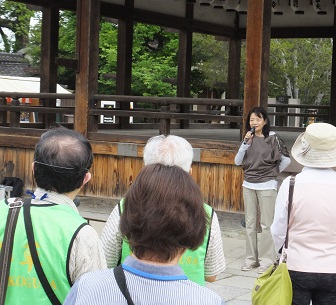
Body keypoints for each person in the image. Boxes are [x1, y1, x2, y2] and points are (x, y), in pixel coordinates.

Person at [64, 164, 225, 305]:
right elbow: (211, 275)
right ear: (194, 229)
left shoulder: (87, 288)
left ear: (126, 219)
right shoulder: (208, 301)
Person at [101, 134, 226, 285]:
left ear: (145, 170)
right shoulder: (206, 213)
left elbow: (105, 260)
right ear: (189, 173)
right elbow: (211, 275)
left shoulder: (126, 206)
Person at [0, 127, 106, 304]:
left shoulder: (3, 210)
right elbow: (96, 298)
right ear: (86, 178)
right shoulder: (82, 234)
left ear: (33, 169)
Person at [271, 122, 336, 305]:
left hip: (296, 264)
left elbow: (278, 229)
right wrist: (334, 250)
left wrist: (283, 252)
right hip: (332, 266)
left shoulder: (290, 184)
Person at [234, 106, 291, 273]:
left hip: (267, 185)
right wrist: (245, 144)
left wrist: (273, 173)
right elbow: (238, 161)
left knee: (267, 224)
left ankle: (267, 260)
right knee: (250, 224)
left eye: (258, 119)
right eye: (252, 120)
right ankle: (250, 259)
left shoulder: (273, 138)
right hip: (249, 184)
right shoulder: (248, 139)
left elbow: (286, 159)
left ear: (265, 121)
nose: (254, 122)